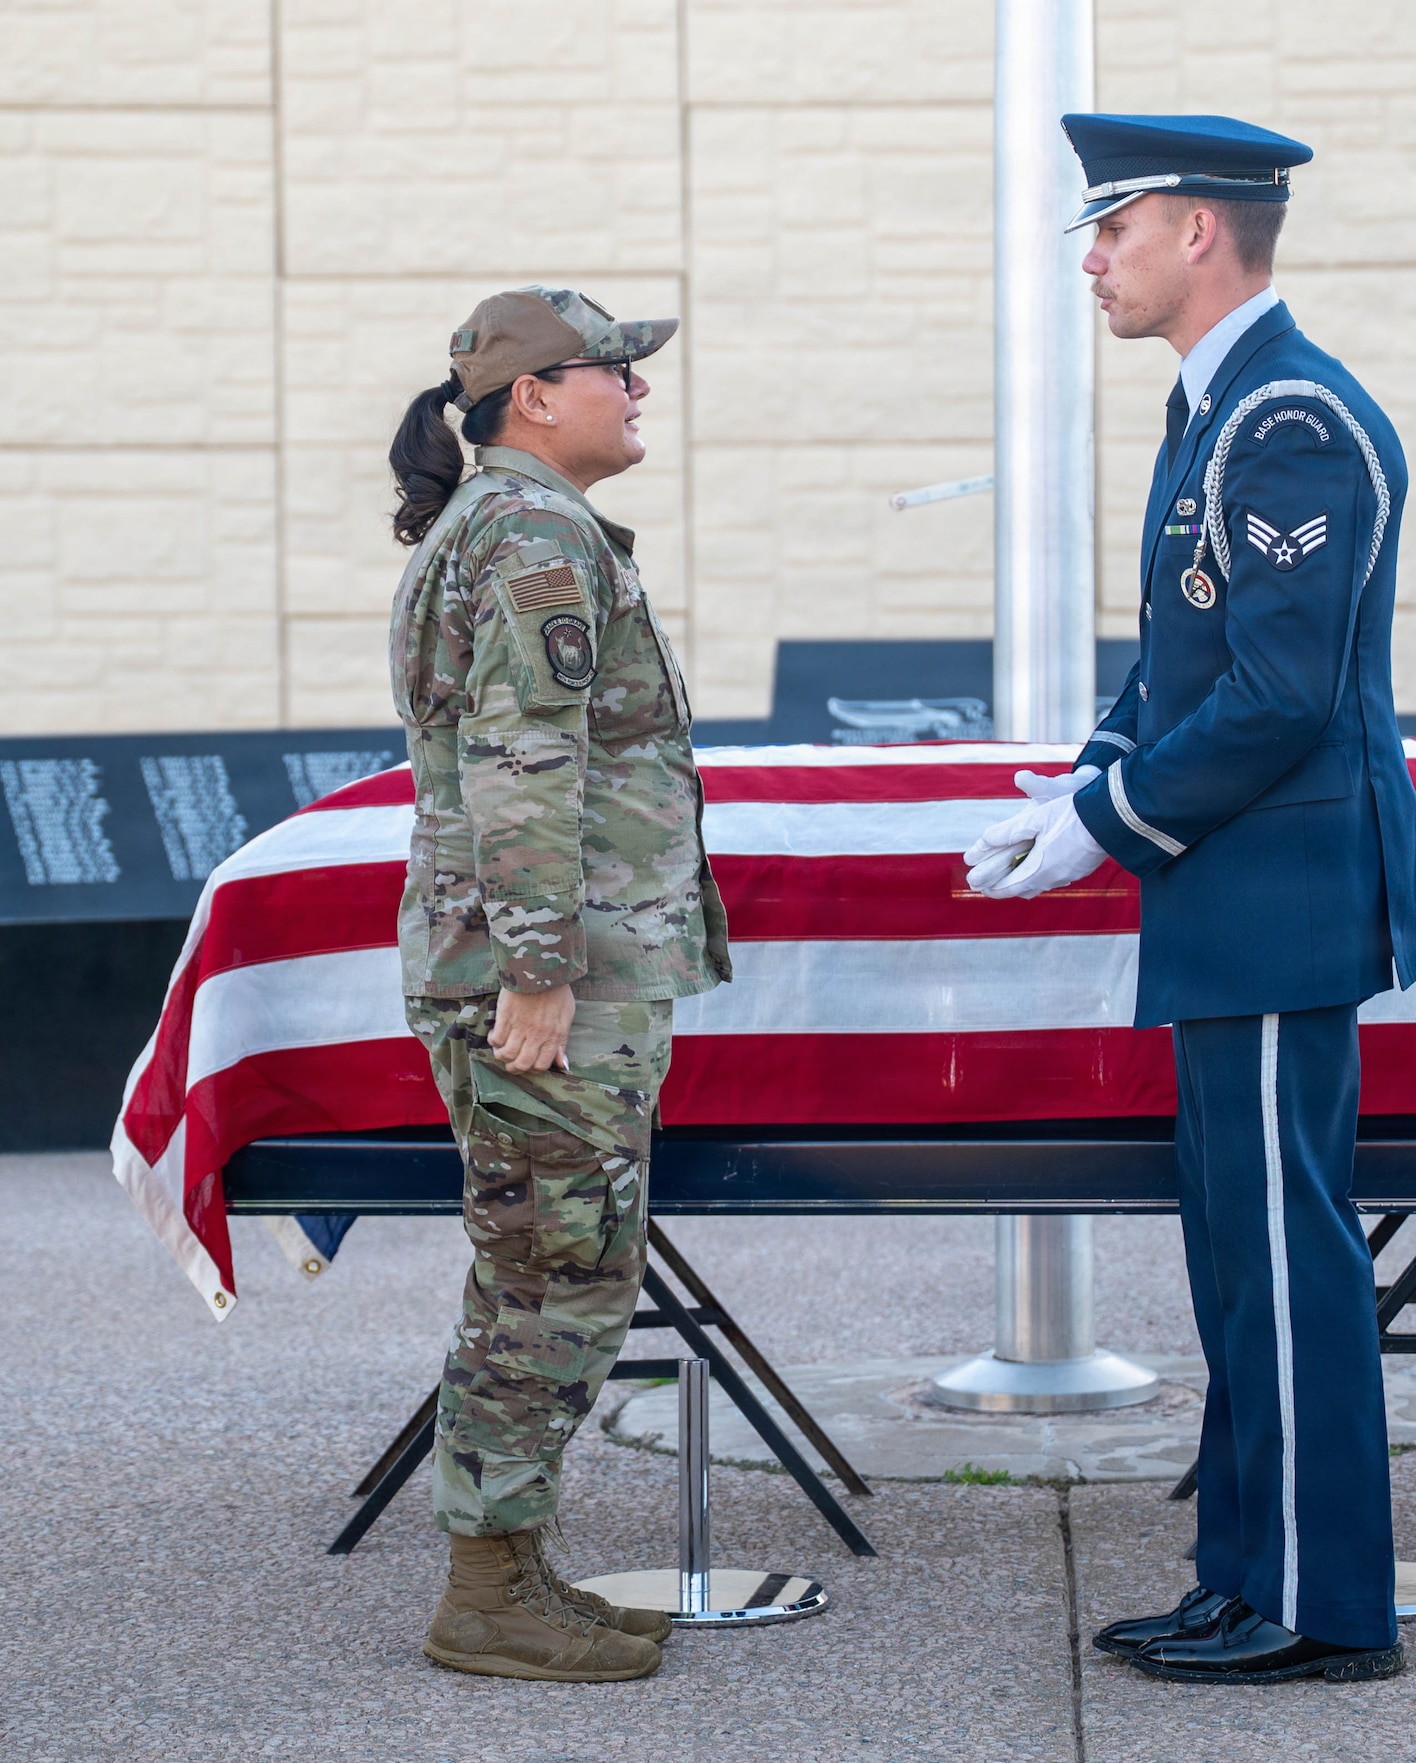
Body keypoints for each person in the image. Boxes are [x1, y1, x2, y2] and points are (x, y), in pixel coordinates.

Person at [965, 115, 1416, 1685]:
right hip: (1236, 893)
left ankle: (1319, 1606)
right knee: (1240, 1259)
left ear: (1195, 229)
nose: (1092, 260)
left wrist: (1110, 818)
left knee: (1287, 1262)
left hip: (1281, 897)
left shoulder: (1288, 414)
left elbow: (1281, 695)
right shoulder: (1221, 407)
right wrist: (1086, 785)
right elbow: (1179, 657)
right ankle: (1246, 1577)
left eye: (1111, 229)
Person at [387, 285, 731, 1681]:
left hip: (543, 962)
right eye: (615, 373)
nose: (636, 392)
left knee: (556, 1267)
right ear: (534, 395)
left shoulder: (524, 526)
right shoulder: (530, 532)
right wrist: (540, 974)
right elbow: (523, 763)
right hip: (542, 979)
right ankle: (485, 1592)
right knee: (551, 1275)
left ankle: (517, 1568)